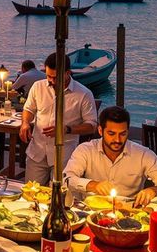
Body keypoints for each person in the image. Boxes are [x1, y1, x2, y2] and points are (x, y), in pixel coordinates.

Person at [66, 106, 157, 206]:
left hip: (129, 211)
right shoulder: (86, 150)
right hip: (91, 209)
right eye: (111, 134)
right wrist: (93, 185)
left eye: (122, 134)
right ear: (100, 131)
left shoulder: (143, 154)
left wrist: (155, 190)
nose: (117, 140)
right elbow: (66, 178)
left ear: (128, 131)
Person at [19, 53, 99, 183]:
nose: (51, 80)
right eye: (48, 76)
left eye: (55, 77)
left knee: (60, 197)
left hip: (64, 156)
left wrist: (66, 129)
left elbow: (92, 126)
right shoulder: (38, 87)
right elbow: (28, 109)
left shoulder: (83, 94)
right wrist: (25, 123)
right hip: (37, 151)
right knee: (30, 194)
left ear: (68, 73)